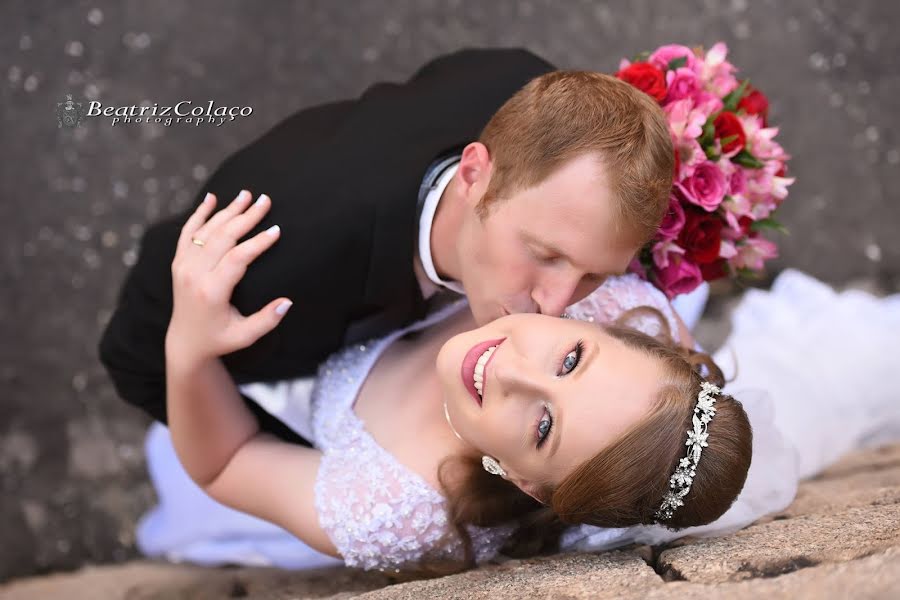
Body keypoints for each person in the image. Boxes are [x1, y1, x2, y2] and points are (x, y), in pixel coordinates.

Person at [140, 191, 900, 575]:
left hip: (275, 397)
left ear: (531, 486)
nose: (509, 370)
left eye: (542, 427)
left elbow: (226, 462)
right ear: (604, 325)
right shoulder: (615, 298)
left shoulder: (394, 505)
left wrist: (190, 351)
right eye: (569, 359)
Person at [97, 48, 678, 448]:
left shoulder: (520, 84)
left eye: (593, 276)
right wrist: (313, 468)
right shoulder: (277, 263)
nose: (555, 305)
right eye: (545, 254)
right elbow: (131, 359)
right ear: (474, 173)